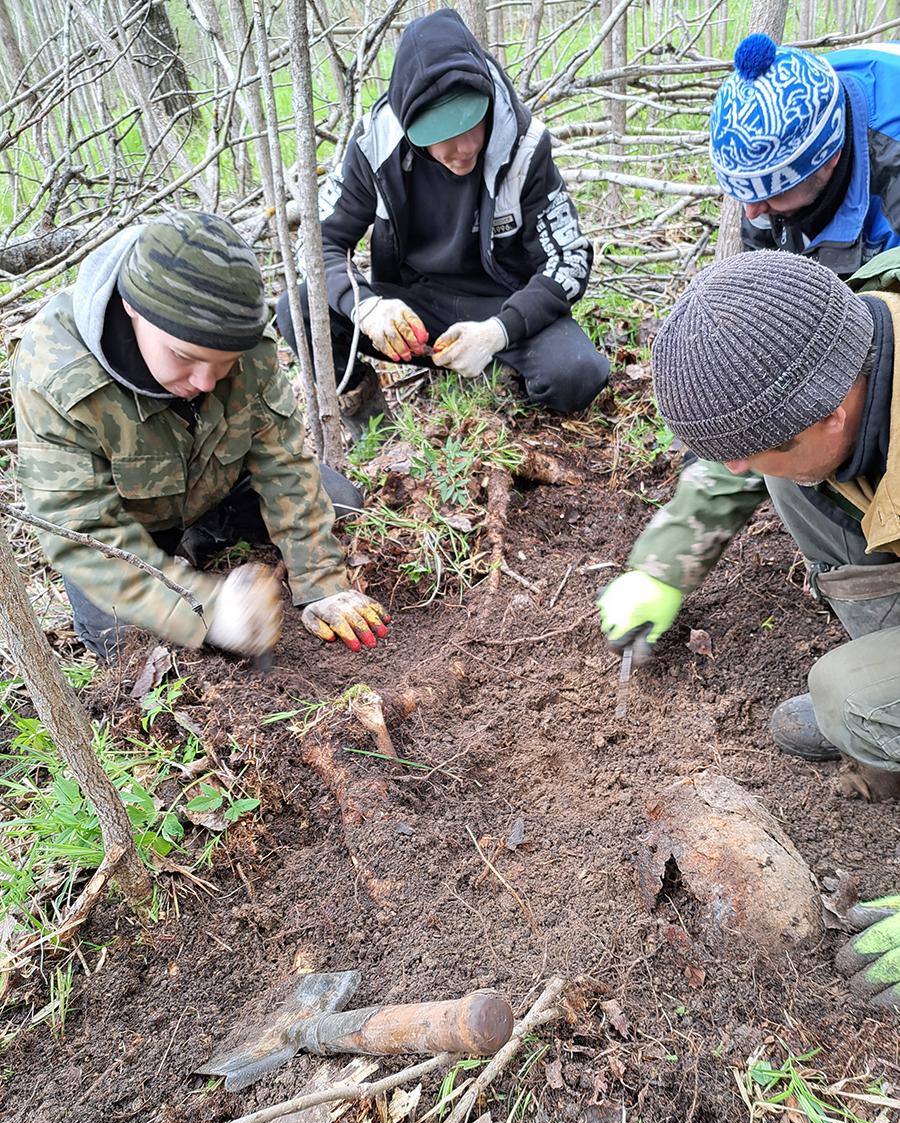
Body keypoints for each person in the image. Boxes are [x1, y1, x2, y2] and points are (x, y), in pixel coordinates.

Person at [598, 249, 900, 1008]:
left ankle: (874, 706)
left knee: (845, 695)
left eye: (754, 446)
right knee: (786, 475)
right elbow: (744, 451)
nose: (736, 466)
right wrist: (663, 566)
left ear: (835, 410)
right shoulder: (839, 328)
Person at [10, 211, 389, 661]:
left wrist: (322, 583)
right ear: (133, 309)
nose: (207, 382)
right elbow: (79, 527)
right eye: (185, 357)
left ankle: (200, 540)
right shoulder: (53, 370)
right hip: (128, 530)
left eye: (225, 363)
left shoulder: (240, 334)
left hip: (218, 488)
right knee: (123, 646)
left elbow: (282, 459)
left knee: (340, 500)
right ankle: (184, 561)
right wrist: (205, 609)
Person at [276, 7, 609, 436]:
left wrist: (498, 332)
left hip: (501, 302)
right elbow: (317, 242)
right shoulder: (375, 144)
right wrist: (366, 306)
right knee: (298, 309)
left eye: (473, 125)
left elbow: (570, 260)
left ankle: (497, 378)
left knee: (576, 374)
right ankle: (370, 420)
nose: (464, 148)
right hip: (412, 308)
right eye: (442, 138)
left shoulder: (524, 145)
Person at [710, 33, 900, 277]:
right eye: (742, 193)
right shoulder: (792, 112)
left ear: (829, 157)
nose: (751, 211)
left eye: (773, 193)